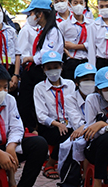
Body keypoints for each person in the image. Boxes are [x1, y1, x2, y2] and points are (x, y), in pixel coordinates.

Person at [34, 50, 83, 179]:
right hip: (50, 126)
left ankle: (75, 164)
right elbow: (41, 115)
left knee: (77, 132)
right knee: (66, 134)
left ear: (61, 67)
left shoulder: (70, 84)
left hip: (70, 122)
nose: (53, 71)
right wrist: (58, 124)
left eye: (56, 67)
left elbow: (75, 106)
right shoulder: (39, 88)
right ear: (43, 69)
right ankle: (50, 164)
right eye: (49, 68)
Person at [18, 0, 63, 131]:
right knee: (25, 102)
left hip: (41, 71)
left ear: (40, 14)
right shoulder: (42, 31)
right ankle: (29, 128)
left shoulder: (53, 32)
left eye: (31, 13)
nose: (30, 17)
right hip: (32, 72)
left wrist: (30, 58)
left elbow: (47, 53)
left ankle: (36, 129)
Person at [61, 0, 94, 79]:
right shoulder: (64, 25)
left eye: (81, 3)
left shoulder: (92, 24)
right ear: (69, 4)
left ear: (85, 4)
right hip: (71, 61)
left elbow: (94, 43)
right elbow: (59, 42)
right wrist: (64, 48)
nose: (79, 5)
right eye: (75, 3)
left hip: (87, 61)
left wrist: (75, 46)